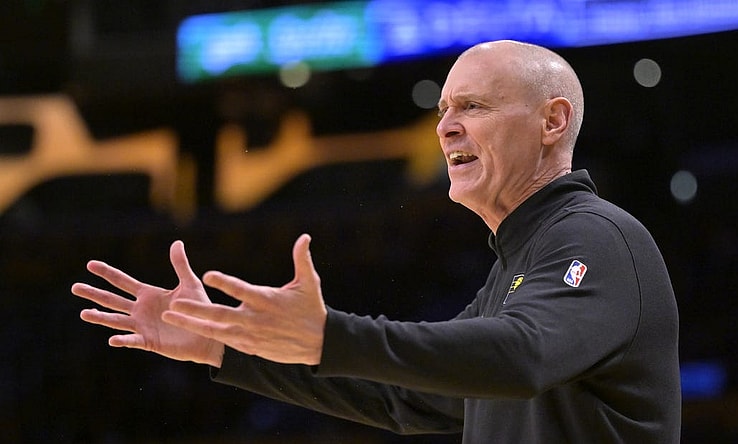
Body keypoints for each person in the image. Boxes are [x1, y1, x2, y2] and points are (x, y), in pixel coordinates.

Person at [72, 40, 681, 443]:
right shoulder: (517, 265)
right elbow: (403, 396)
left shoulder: (596, 237)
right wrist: (226, 349)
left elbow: (522, 357)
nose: (445, 126)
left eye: (472, 105)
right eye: (444, 108)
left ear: (552, 122)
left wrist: (332, 335)